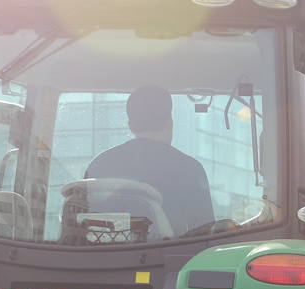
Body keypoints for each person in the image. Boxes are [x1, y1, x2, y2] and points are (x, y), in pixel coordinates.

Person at [86, 86, 215, 236]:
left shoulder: (99, 166)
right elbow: (205, 235)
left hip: (102, 258)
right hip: (173, 258)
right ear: (170, 122)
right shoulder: (191, 169)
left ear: (131, 126)